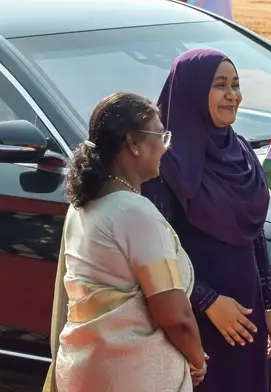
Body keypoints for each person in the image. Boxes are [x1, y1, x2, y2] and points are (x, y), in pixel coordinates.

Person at [43, 92, 207, 392]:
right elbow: (174, 314)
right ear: (133, 142)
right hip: (134, 374)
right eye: (161, 136)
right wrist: (197, 360)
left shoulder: (81, 206)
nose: (164, 148)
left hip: (84, 371)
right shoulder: (135, 212)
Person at [141, 48, 271, 392]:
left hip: (247, 318)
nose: (233, 95)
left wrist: (269, 306)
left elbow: (254, 235)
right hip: (193, 318)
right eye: (220, 85)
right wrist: (208, 302)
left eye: (235, 84)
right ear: (192, 91)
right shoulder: (162, 164)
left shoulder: (242, 150)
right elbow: (159, 255)